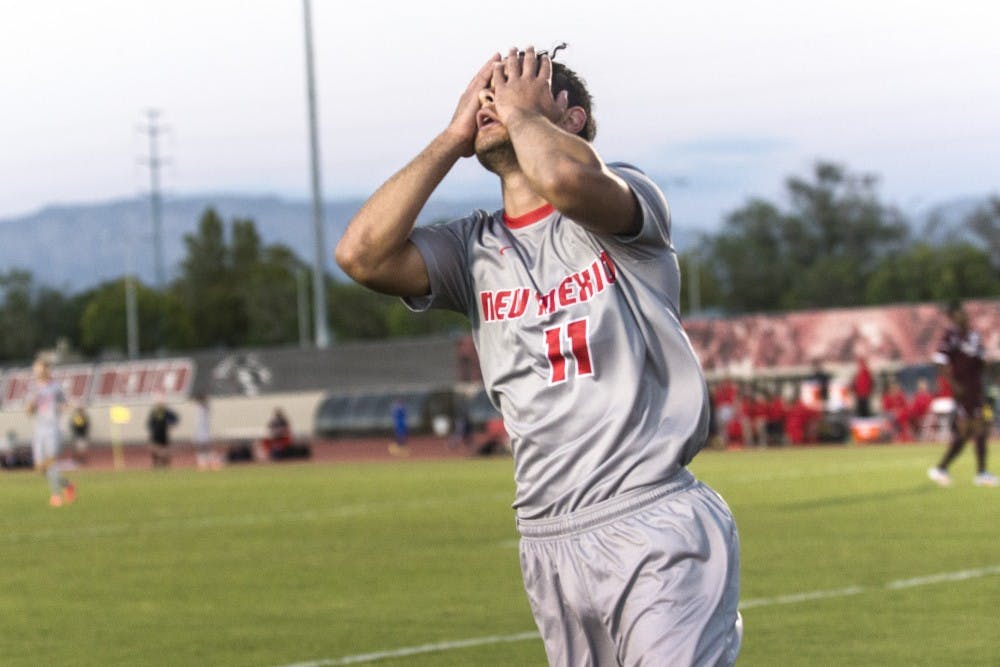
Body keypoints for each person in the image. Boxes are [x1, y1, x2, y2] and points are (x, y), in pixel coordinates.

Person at [335, 45, 741, 665]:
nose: (494, 100)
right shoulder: (472, 247)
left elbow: (566, 180)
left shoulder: (625, 197)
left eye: (516, 86)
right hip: (548, 539)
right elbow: (359, 254)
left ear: (571, 118)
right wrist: (451, 137)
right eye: (489, 93)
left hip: (652, 516)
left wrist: (525, 118)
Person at [928, 301, 996, 487]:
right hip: (963, 391)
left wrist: (986, 367)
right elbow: (940, 362)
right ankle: (980, 473)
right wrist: (954, 384)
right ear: (952, 317)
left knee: (970, 432)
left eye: (964, 313)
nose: (964, 316)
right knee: (977, 428)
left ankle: (942, 468)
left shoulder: (974, 336)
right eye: (959, 313)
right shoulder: (951, 337)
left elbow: (981, 361)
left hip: (977, 389)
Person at [26, 358, 76, 506]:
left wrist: (71, 407)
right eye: (36, 369)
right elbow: (29, 411)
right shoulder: (34, 388)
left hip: (52, 429)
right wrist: (32, 404)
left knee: (51, 463)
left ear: (47, 370)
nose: (37, 372)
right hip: (39, 431)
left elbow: (65, 404)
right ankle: (67, 485)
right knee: (39, 468)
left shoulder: (56, 387)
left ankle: (56, 496)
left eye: (40, 368)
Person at [147, 399, 179, 468]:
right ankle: (156, 463)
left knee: (166, 449)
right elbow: (150, 423)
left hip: (164, 434)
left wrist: (171, 424)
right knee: (155, 449)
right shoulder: (154, 412)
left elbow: (175, 419)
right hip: (156, 434)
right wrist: (152, 430)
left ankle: (165, 463)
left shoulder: (167, 412)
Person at [192, 394, 220, 471]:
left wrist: (203, 401)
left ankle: (214, 463)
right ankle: (203, 464)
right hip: (200, 431)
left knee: (207, 449)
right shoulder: (199, 408)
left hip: (205, 432)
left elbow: (206, 405)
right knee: (201, 449)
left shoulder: (204, 408)